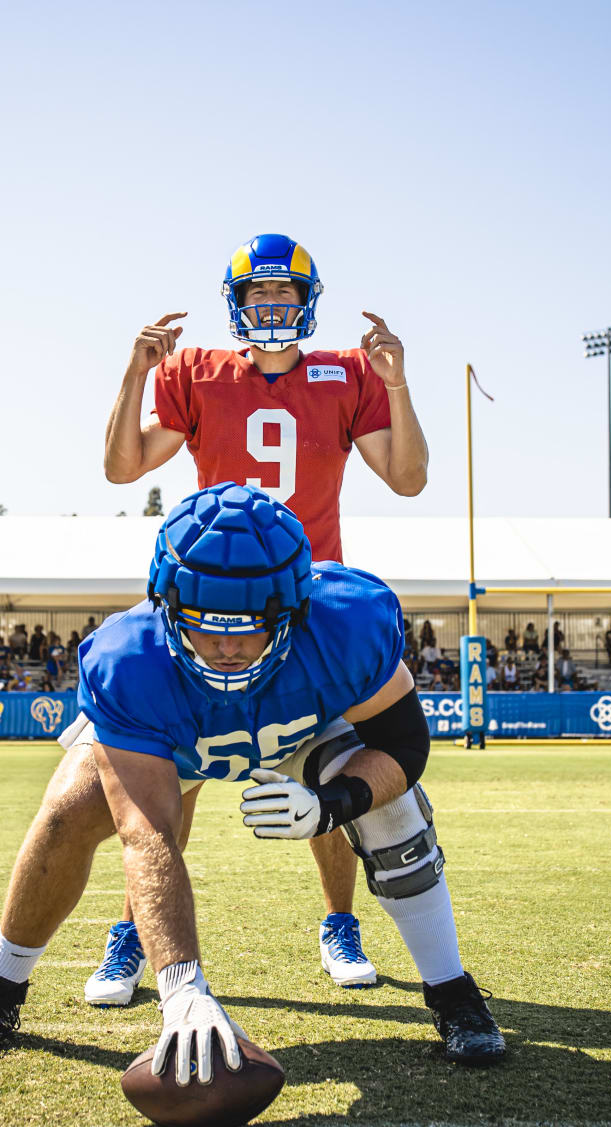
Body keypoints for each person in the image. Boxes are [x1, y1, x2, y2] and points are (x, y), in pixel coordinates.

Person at [0, 485, 504, 1074]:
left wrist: (330, 805)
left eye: (249, 626)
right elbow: (149, 835)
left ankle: (451, 992)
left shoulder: (348, 622)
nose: (227, 648)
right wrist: (183, 988)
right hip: (177, 740)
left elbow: (404, 744)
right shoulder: (128, 663)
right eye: (204, 624)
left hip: (303, 731)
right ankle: (6, 987)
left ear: (295, 605)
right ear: (166, 604)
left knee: (394, 810)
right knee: (67, 810)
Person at [96, 232, 429, 1003]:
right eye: (258, 296)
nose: (271, 306)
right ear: (237, 305)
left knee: (342, 763)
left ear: (306, 303)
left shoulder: (347, 373)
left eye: (284, 295)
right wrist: (134, 371)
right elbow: (122, 468)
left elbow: (408, 480)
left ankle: (338, 923)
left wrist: (399, 384)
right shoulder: (196, 372)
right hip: (209, 602)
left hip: (310, 605)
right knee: (169, 776)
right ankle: (131, 935)